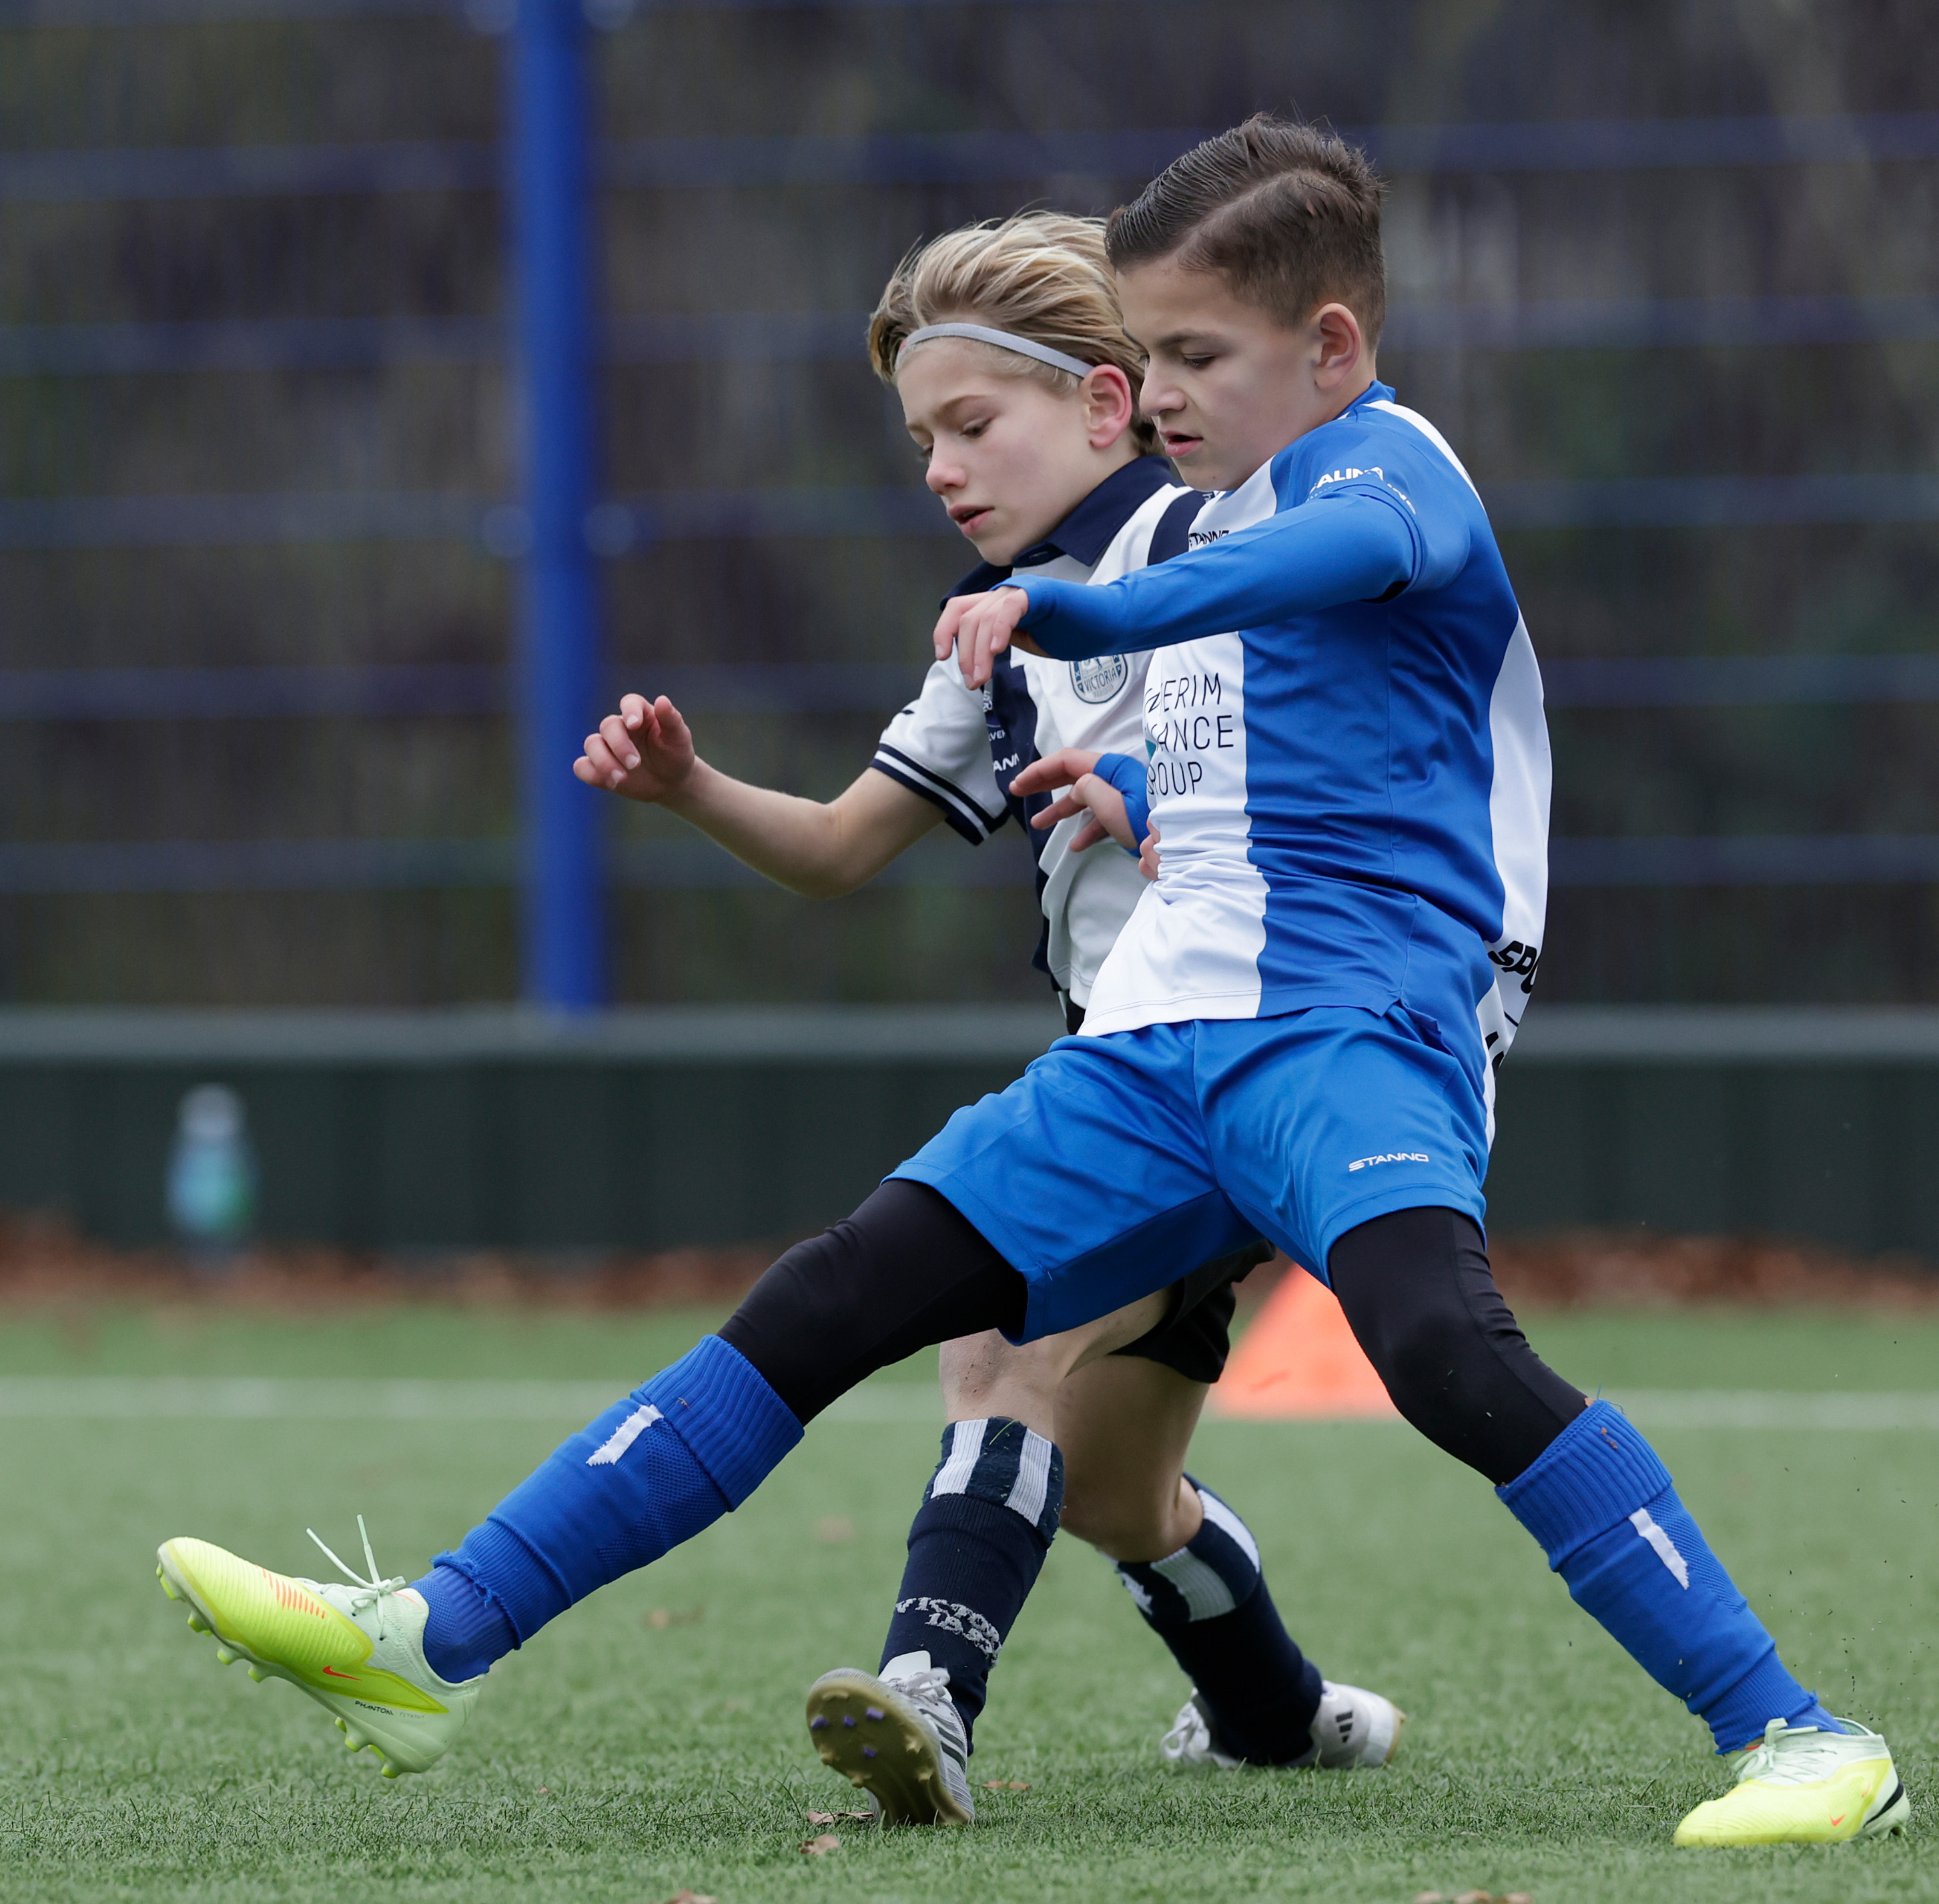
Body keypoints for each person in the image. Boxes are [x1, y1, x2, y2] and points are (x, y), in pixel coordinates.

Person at [153, 116, 1906, 1849]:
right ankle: (429, 1637)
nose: (1159, 396)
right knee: (838, 1295)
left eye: (1195, 356)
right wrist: (1122, 753)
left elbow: (1324, 575)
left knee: (1445, 1351)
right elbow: (1225, 767)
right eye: (1142, 357)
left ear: (1333, 344)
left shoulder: (1390, 474)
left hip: (1354, 1034)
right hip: (1148, 1051)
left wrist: (1086, 617)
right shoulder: (1176, 534)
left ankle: (1797, 1732)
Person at [567, 211, 1402, 1826]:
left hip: (1240, 1053)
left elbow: (1321, 768)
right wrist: (686, 787)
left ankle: (926, 1697)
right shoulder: (991, 618)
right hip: (1118, 1067)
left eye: (970, 424)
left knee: (995, 1348)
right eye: (918, 439)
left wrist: (1151, 784)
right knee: (1114, 1486)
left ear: (1105, 401)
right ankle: (1283, 1715)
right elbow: (831, 848)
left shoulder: (1223, 547)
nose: (939, 466)